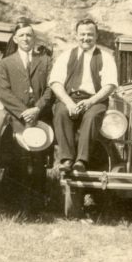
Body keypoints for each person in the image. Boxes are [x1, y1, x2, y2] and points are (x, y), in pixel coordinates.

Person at [0, 18, 53, 213]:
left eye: (29, 35)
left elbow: (50, 89)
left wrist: (37, 109)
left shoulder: (45, 61)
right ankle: (14, 204)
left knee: (38, 160)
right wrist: (23, 112)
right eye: (22, 35)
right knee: (17, 157)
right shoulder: (6, 63)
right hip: (16, 118)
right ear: (15, 38)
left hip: (39, 117)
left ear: (34, 38)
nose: (26, 39)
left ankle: (36, 205)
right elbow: (3, 92)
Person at [49, 18, 118, 173]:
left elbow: (110, 85)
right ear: (76, 35)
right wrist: (68, 102)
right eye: (82, 34)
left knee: (92, 117)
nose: (86, 38)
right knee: (60, 112)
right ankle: (66, 159)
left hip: (95, 99)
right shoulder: (66, 56)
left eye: (90, 35)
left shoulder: (106, 57)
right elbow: (55, 82)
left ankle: (81, 160)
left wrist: (90, 101)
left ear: (96, 36)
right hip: (70, 98)